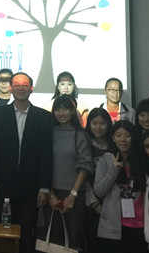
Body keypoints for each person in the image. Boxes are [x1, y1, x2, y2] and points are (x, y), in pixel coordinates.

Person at [0, 72, 53, 253]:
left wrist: (44, 187)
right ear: (11, 88)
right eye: (16, 84)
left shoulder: (43, 117)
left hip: (31, 188)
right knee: (3, 232)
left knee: (26, 233)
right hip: (3, 187)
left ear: (31, 89)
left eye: (24, 85)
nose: (21, 88)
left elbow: (46, 154)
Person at [93, 120, 149, 253]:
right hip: (114, 226)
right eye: (118, 135)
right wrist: (113, 170)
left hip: (140, 224)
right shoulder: (105, 160)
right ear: (113, 138)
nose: (123, 140)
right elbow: (99, 191)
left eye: (127, 135)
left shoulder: (141, 160)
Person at [44, 95, 93, 250]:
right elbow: (43, 164)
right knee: (54, 243)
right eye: (57, 109)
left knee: (74, 241)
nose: (61, 113)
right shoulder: (48, 133)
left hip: (74, 195)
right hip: (52, 194)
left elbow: (85, 166)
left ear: (72, 111)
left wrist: (72, 195)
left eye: (65, 109)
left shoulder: (80, 134)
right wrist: (50, 195)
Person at [84, 107, 113, 252]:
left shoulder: (115, 145)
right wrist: (94, 204)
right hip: (90, 203)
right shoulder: (85, 145)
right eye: (94, 123)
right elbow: (83, 176)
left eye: (102, 123)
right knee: (93, 243)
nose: (98, 128)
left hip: (112, 203)